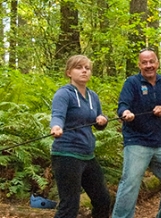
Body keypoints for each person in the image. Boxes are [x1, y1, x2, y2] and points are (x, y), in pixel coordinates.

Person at [112, 49, 161, 218]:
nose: (148, 65)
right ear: (139, 65)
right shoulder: (132, 83)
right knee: (130, 183)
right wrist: (125, 113)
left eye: (151, 61)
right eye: (144, 62)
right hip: (136, 141)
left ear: (157, 63)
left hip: (159, 143)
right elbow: (122, 105)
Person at [50, 55, 112, 218]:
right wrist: (56, 127)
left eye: (87, 68)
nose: (84, 70)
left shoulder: (93, 96)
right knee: (69, 205)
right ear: (69, 72)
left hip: (87, 155)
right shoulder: (63, 94)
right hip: (66, 155)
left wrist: (102, 120)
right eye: (79, 67)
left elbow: (99, 122)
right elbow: (57, 116)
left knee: (103, 200)